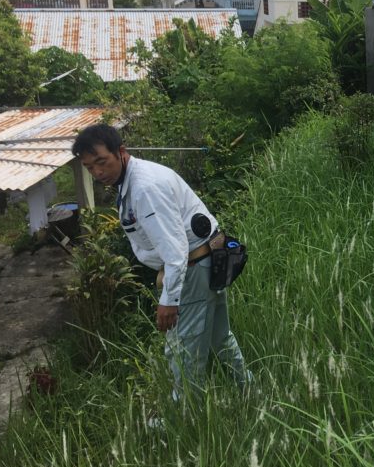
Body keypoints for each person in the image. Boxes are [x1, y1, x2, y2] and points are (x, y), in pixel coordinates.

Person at [71, 124, 250, 399]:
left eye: (101, 162)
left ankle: (186, 418)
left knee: (182, 351)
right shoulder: (132, 180)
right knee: (219, 338)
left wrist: (169, 301)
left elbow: (176, 252)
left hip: (192, 269)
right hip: (206, 261)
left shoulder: (145, 188)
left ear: (121, 152)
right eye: (89, 167)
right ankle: (250, 390)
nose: (97, 173)